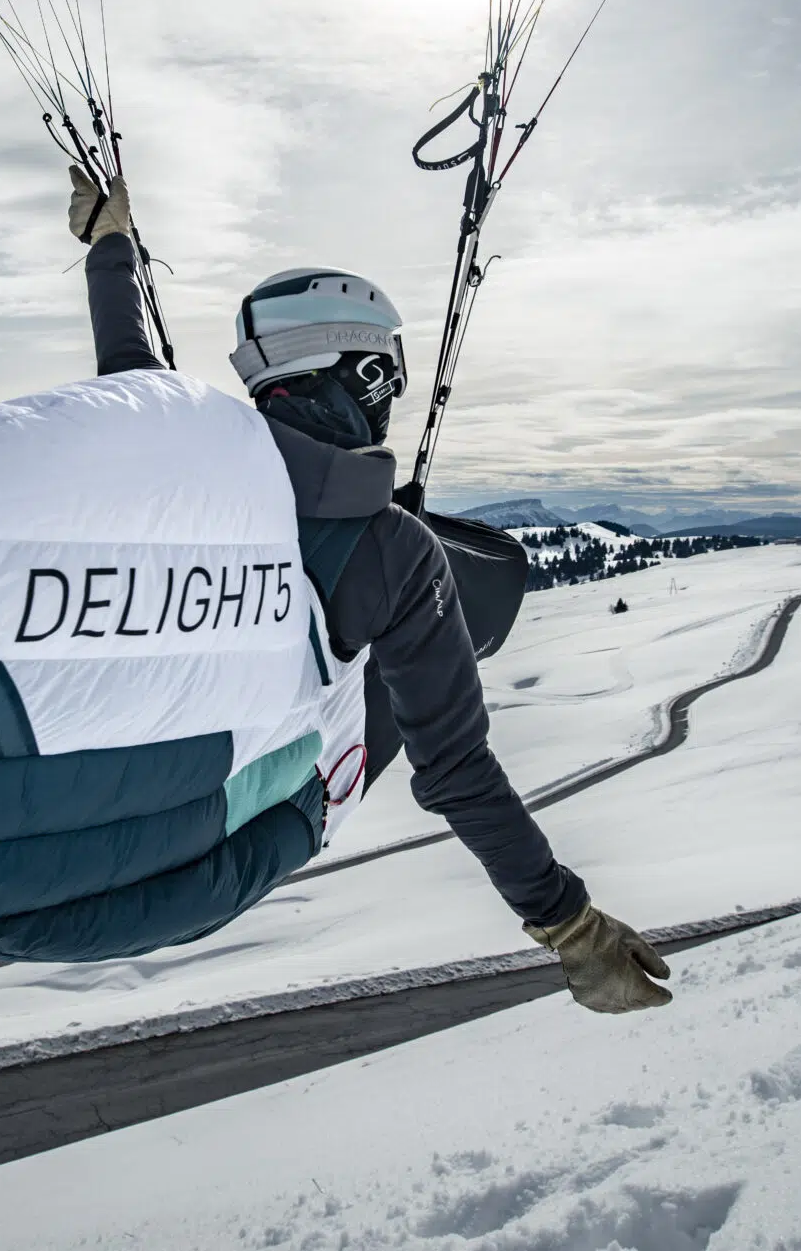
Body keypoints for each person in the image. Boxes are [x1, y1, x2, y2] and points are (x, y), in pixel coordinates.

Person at [69, 168, 673, 1014]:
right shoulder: (392, 550)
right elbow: (456, 770)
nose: (390, 398)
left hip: (140, 815)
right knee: (450, 590)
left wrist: (111, 251)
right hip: (235, 848)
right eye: (384, 376)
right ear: (352, 374)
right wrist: (572, 924)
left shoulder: (187, 468)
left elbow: (128, 370)